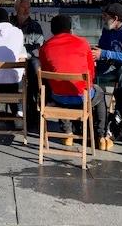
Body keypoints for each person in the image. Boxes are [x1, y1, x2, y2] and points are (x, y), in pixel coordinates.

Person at [39, 14, 112, 150]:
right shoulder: (83, 43)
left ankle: (68, 133)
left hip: (58, 97)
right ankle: (101, 136)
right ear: (70, 28)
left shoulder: (45, 47)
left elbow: (46, 73)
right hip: (82, 96)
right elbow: (91, 72)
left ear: (52, 29)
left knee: (57, 87)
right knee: (100, 92)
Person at [10, 0, 44, 123]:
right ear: (17, 8)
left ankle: (31, 109)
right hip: (12, 61)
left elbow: (39, 47)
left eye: (28, 7)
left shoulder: (35, 26)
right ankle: (17, 111)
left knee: (35, 66)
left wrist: (26, 54)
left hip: (28, 61)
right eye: (24, 7)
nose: (27, 10)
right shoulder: (9, 24)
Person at [92, 3, 122, 89]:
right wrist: (95, 52)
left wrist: (104, 53)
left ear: (115, 18)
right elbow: (103, 47)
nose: (103, 18)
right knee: (89, 70)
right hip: (109, 64)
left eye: (105, 16)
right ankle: (96, 98)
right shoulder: (108, 28)